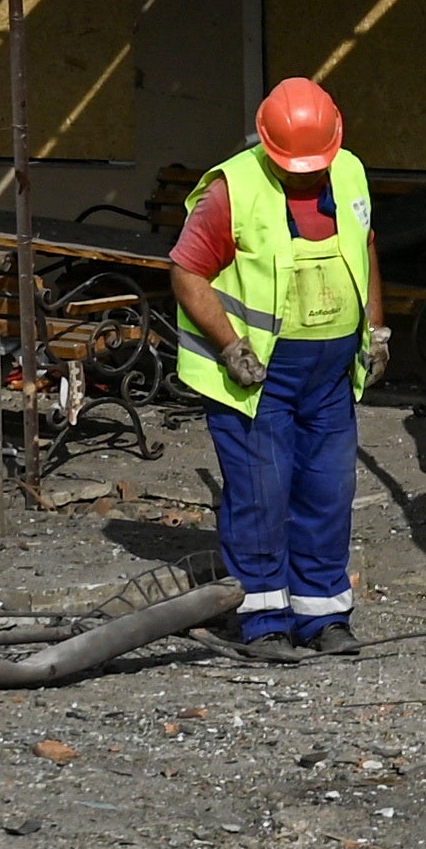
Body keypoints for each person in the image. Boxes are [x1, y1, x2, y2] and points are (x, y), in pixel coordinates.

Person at [172, 75, 371, 654]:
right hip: (258, 380)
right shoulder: (233, 189)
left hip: (329, 376)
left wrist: (376, 331)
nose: (307, 172)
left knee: (328, 493)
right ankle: (263, 621)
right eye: (295, 164)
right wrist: (230, 346)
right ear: (268, 145)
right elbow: (186, 272)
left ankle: (324, 615)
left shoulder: (350, 172)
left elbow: (366, 247)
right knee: (264, 495)